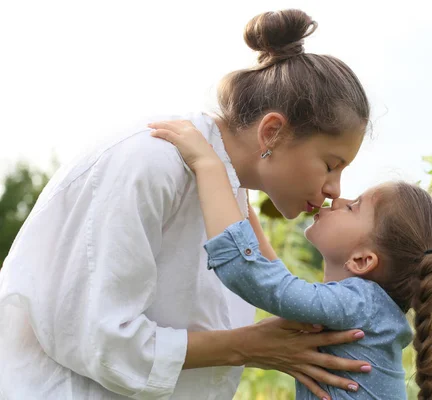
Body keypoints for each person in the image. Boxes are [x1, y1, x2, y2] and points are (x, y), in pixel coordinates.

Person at [0, 9, 372, 399]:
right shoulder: (151, 161)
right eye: (331, 165)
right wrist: (252, 347)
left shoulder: (225, 187)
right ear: (273, 132)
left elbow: (274, 287)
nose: (335, 189)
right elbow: (96, 335)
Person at [148, 120, 432, 400]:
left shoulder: (361, 305)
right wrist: (238, 194)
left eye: (354, 207)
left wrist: (208, 166)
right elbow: (277, 277)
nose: (338, 198)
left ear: (363, 260)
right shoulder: (367, 309)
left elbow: (254, 276)